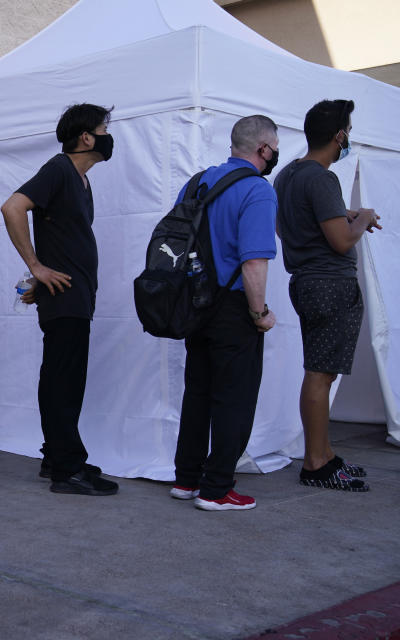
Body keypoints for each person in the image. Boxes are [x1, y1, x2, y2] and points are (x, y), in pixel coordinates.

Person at [0, 103, 118, 496]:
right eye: (103, 128)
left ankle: (58, 457)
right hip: (66, 299)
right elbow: (12, 207)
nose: (107, 135)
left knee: (64, 379)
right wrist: (37, 267)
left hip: (74, 296)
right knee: (63, 381)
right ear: (86, 137)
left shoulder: (81, 181)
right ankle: (67, 469)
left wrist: (43, 273)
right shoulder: (59, 169)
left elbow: (61, 236)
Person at [169, 115, 279, 511]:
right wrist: (260, 313)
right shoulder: (257, 190)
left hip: (196, 301)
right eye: (274, 147)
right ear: (264, 149)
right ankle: (217, 489)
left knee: (198, 391)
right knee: (235, 398)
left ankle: (186, 479)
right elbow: (254, 263)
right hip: (233, 307)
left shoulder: (197, 181)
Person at [274, 99, 380, 492]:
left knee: (321, 370)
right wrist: (363, 217)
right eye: (348, 131)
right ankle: (316, 463)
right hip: (330, 284)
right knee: (320, 374)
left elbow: (287, 229)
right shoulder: (321, 178)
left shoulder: (287, 175)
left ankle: (325, 453)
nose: (348, 137)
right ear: (339, 136)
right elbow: (339, 242)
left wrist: (343, 215)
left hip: (306, 282)